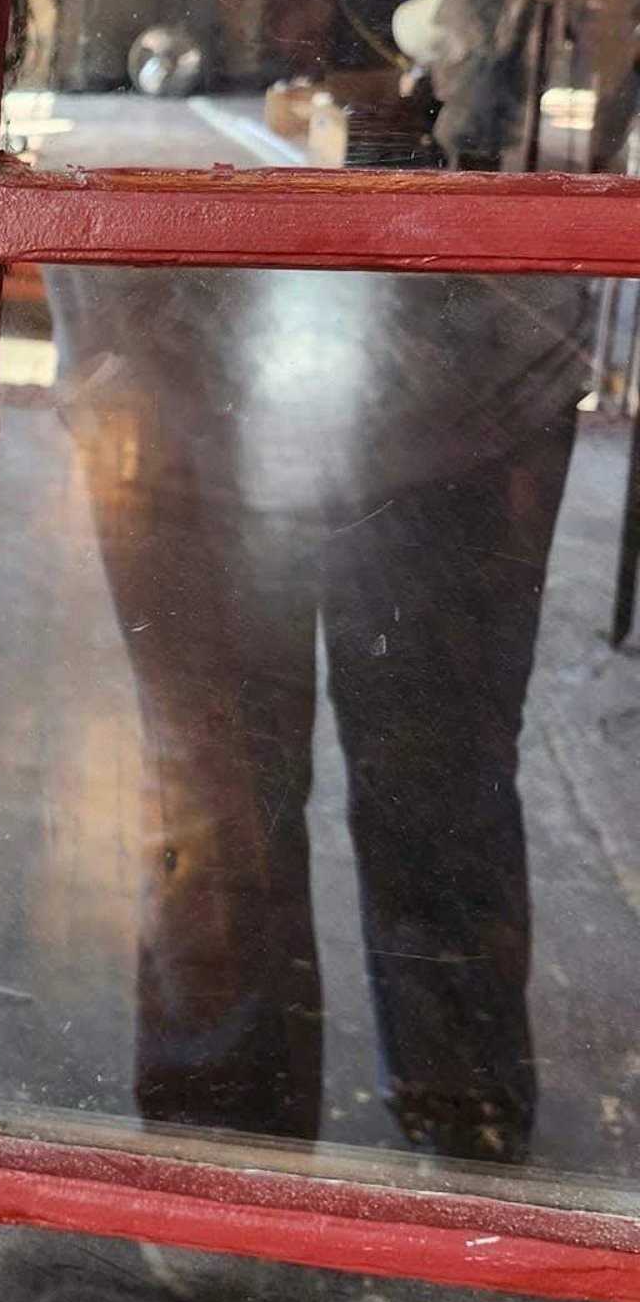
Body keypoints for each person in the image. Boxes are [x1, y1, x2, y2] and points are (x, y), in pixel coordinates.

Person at [46, 264, 591, 1160]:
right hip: (174, 344)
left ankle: (456, 1135)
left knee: (437, 784)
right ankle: (228, 1139)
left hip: (471, 340)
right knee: (218, 792)